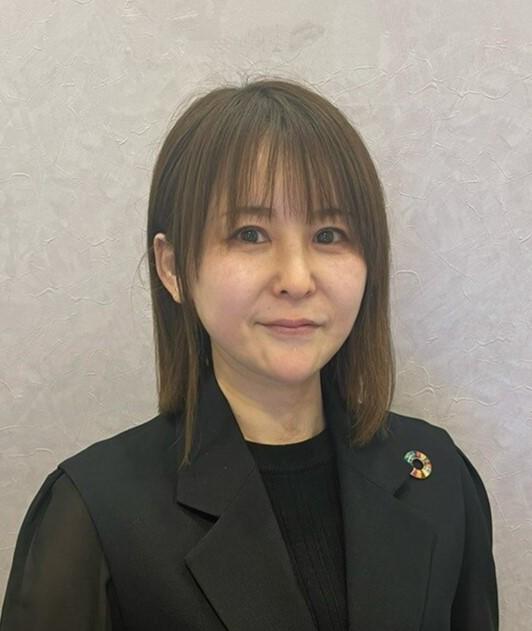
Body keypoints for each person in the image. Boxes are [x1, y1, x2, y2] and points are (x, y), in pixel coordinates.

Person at [0, 78, 498, 631]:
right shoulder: (94, 512)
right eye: (250, 234)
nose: (296, 279)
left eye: (329, 234)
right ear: (172, 267)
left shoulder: (436, 476)